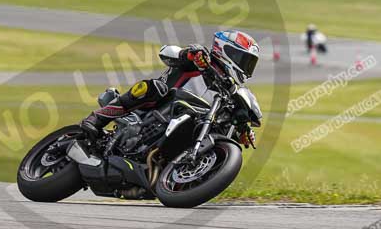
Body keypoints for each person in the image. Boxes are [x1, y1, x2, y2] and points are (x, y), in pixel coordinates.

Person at [81, 29, 260, 147]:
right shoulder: (201, 58)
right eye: (243, 59)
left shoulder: (230, 89)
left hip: (188, 127)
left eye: (250, 63)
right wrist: (189, 54)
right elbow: (166, 51)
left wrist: (242, 131)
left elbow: (237, 116)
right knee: (152, 87)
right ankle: (97, 119)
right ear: (226, 50)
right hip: (155, 111)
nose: (245, 65)